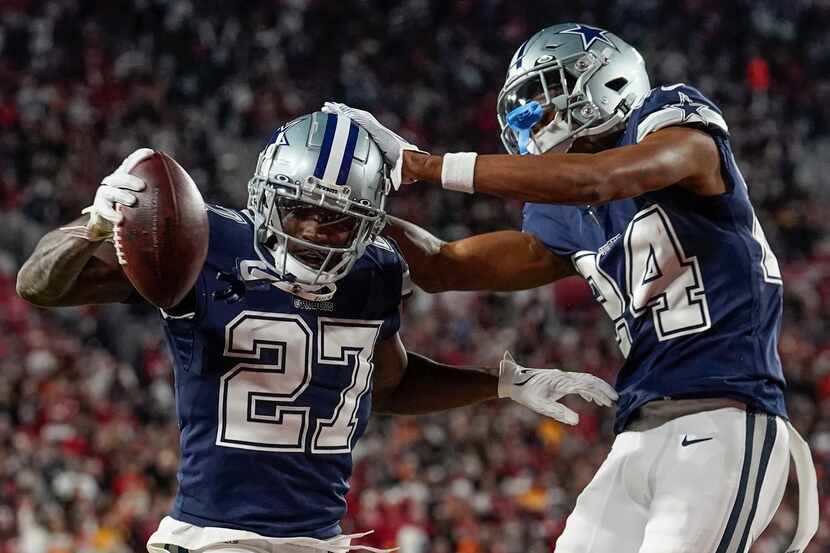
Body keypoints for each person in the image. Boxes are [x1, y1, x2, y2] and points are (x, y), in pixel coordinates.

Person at [15, 111, 617, 553]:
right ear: (267, 197)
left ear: (369, 222)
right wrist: (91, 227)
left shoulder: (376, 270)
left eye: (338, 219)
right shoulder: (204, 242)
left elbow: (389, 387)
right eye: (301, 208)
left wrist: (500, 384)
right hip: (215, 537)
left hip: (320, 540)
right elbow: (40, 284)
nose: (315, 230)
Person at [324, 23, 819, 553]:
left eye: (546, 91)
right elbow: (445, 267)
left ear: (608, 81)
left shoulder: (670, 121)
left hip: (727, 416)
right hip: (636, 432)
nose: (532, 114)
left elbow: (601, 178)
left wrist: (428, 165)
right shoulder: (563, 215)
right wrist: (354, 206)